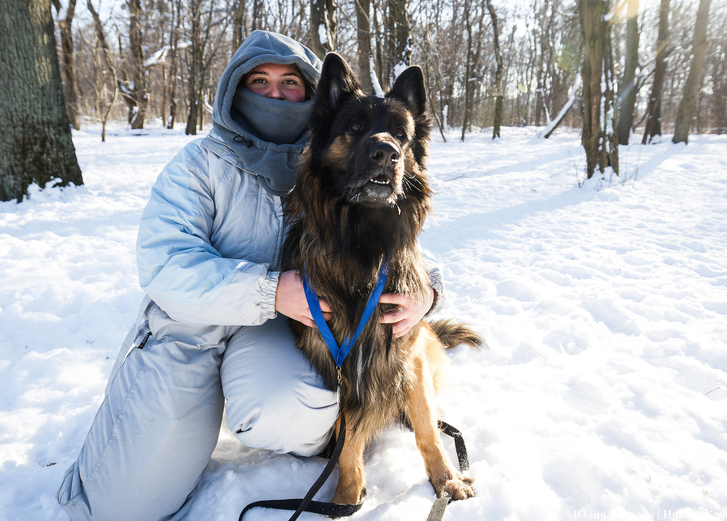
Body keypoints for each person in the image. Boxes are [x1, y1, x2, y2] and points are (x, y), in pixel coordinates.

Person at [57, 31, 444, 521]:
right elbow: (162, 263)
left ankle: (327, 433)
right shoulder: (200, 164)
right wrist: (268, 291)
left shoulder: (322, 169)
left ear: (310, 96)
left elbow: (390, 248)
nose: (275, 94)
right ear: (234, 90)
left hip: (266, 334)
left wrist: (428, 292)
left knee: (296, 411)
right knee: (121, 506)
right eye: (260, 81)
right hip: (190, 332)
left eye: (290, 83)